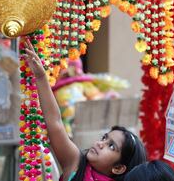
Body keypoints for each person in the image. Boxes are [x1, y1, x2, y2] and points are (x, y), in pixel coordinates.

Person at [23, 39, 147, 181]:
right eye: (105, 138)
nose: (101, 144)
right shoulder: (75, 163)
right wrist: (40, 77)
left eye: (111, 146)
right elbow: (55, 123)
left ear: (118, 168)